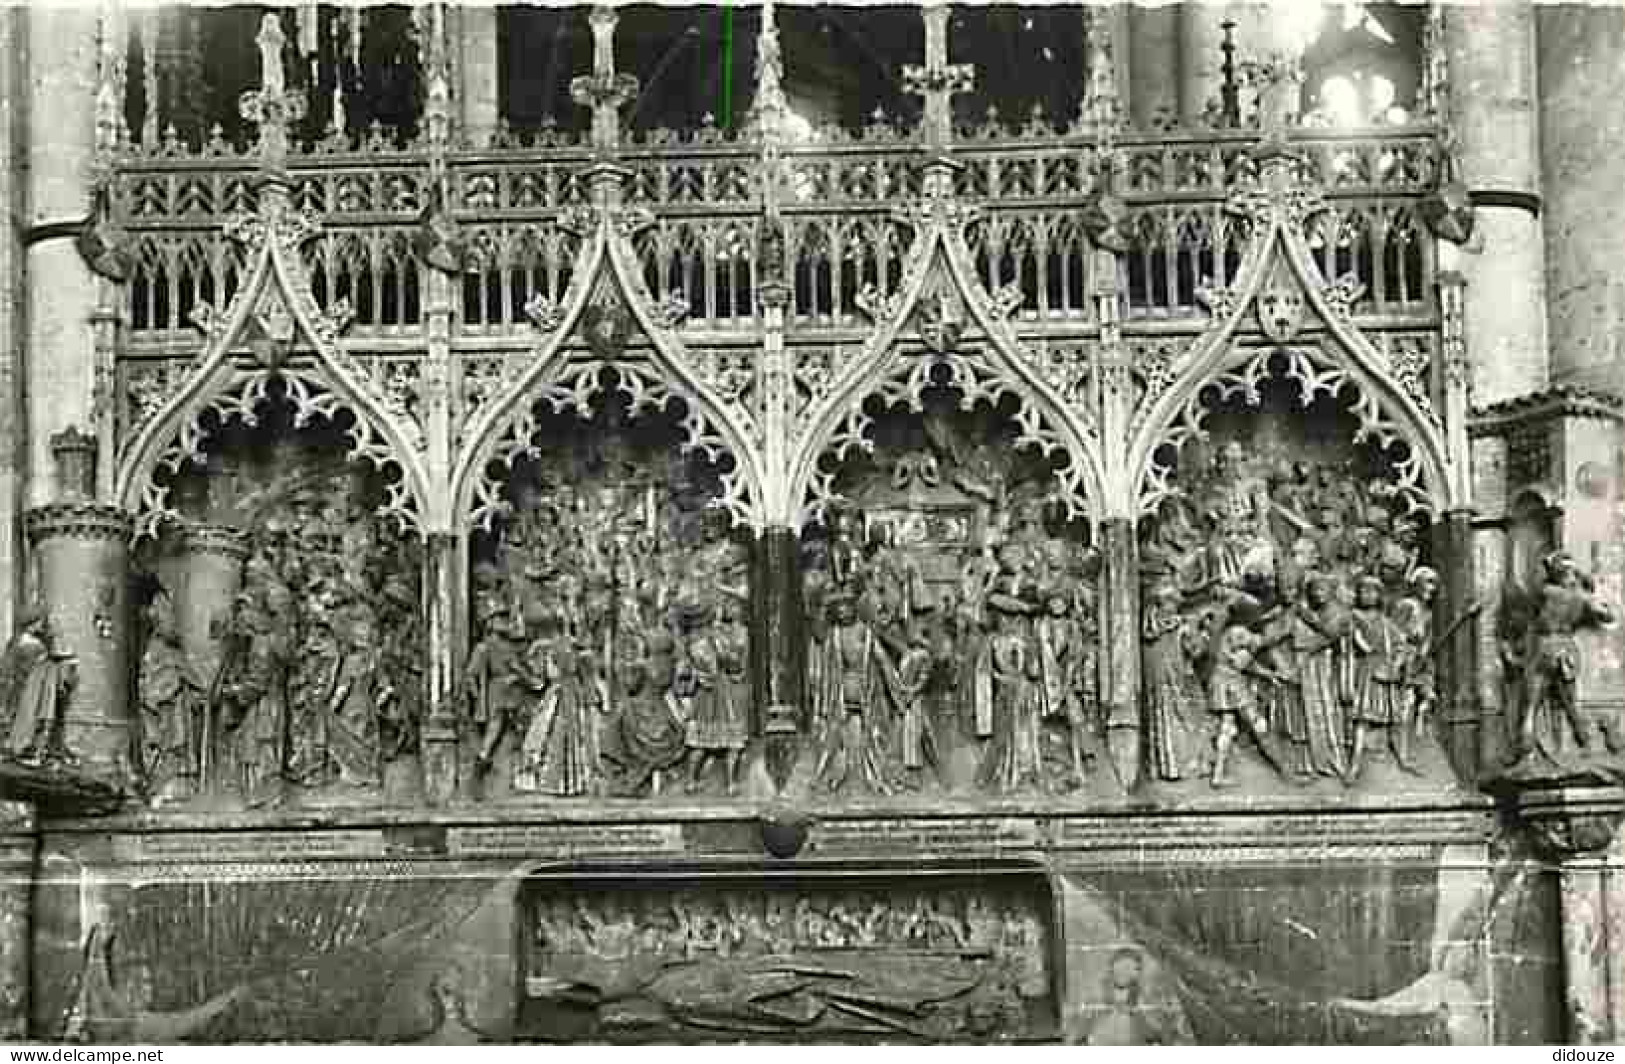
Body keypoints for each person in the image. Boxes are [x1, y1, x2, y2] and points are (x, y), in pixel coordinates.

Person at [2, 609, 76, 766]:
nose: (42, 625)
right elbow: (43, 662)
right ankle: (26, 749)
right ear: (32, 624)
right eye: (39, 622)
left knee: (17, 718)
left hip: (16, 687)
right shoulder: (33, 645)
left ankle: (16, 747)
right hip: (29, 688)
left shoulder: (15, 641)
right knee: (30, 718)